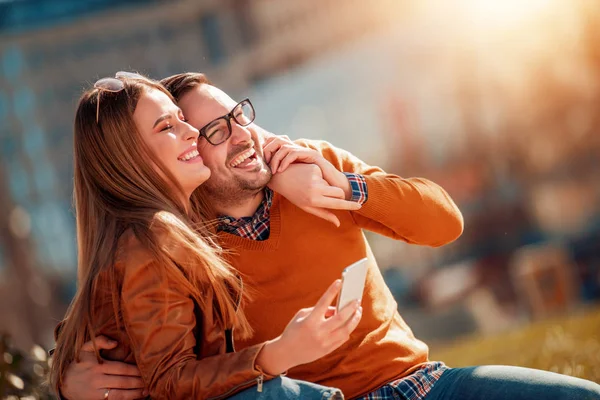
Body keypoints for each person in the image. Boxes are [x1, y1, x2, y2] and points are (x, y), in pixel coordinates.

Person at [59, 72, 600, 400]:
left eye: (238, 117)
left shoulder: (318, 168)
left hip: (421, 385)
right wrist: (68, 381)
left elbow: (445, 223)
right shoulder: (182, 243)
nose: (242, 136)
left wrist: (348, 187)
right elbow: (118, 325)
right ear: (184, 157)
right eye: (214, 133)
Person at [48, 72, 365, 400]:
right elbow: (169, 381)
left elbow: (92, 321)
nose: (192, 132)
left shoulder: (172, 227)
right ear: (128, 159)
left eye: (182, 118)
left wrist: (282, 173)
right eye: (166, 127)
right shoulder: (150, 239)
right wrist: (280, 352)